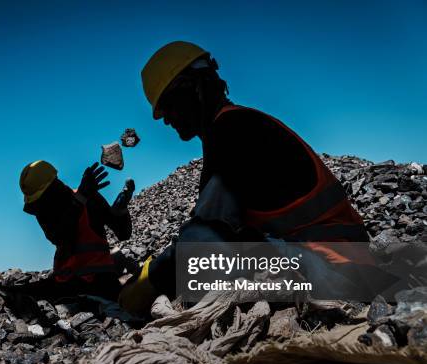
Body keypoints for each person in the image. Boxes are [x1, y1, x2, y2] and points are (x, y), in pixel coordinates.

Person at [119, 41, 389, 313]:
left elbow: (206, 231)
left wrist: (152, 278)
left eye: (167, 105)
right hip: (342, 264)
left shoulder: (232, 131)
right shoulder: (239, 125)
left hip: (331, 269)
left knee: (198, 246)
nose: (165, 119)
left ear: (193, 88)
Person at [20, 160, 134, 301]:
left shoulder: (89, 198)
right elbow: (60, 237)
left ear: (53, 186)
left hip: (99, 283)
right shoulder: (46, 210)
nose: (37, 205)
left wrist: (120, 210)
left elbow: (123, 233)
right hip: (67, 283)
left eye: (39, 199)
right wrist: (81, 198)